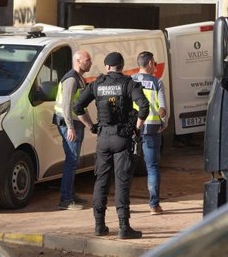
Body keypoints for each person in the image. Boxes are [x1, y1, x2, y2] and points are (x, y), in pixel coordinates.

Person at [74, 52, 149, 239]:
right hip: (122, 138)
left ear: (107, 67)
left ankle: (99, 226)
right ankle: (124, 228)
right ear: (121, 66)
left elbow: (77, 107)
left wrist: (91, 126)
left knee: (101, 182)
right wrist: (136, 130)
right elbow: (144, 106)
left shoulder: (97, 84)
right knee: (122, 183)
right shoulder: (128, 83)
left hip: (103, 138)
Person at [53, 50, 93, 210]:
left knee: (73, 161)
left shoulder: (79, 78)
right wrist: (70, 127)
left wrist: (90, 125)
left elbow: (80, 106)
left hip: (76, 124)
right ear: (78, 61)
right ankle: (66, 199)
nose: (90, 62)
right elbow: (66, 106)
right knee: (71, 160)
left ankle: (70, 194)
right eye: (87, 59)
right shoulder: (71, 79)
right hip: (68, 124)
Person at [131, 51, 167, 215]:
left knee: (124, 167)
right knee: (152, 167)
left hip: (132, 129)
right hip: (152, 128)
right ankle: (154, 205)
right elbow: (163, 110)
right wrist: (163, 124)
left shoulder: (130, 81)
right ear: (151, 63)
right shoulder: (157, 82)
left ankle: (123, 205)